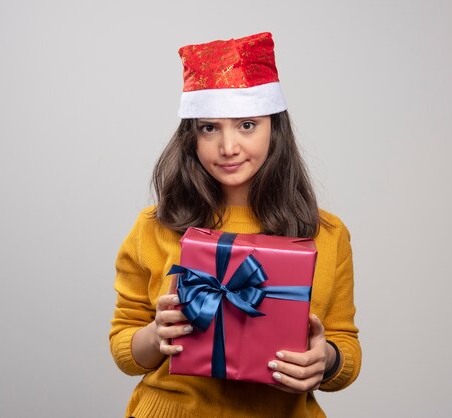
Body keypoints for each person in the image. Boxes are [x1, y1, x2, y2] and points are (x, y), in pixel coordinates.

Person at [109, 32, 361, 418]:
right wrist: (155, 335)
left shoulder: (327, 234)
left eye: (246, 125)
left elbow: (344, 342)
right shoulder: (155, 227)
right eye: (210, 128)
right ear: (191, 136)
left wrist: (325, 359)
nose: (228, 147)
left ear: (274, 129)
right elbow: (125, 347)